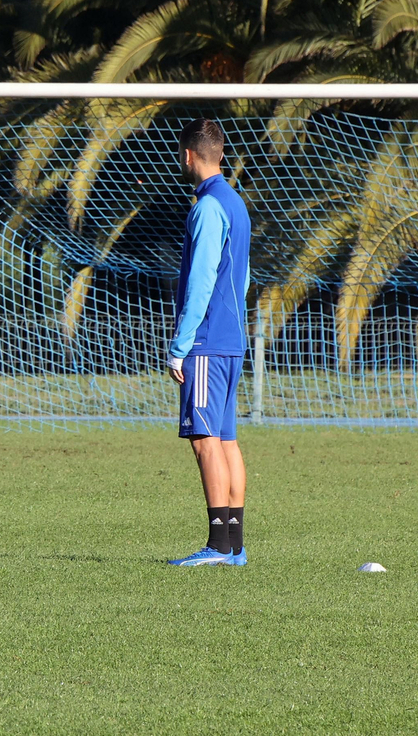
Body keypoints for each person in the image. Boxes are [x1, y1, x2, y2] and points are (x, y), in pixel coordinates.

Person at [165, 118, 251, 567]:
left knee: (203, 439)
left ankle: (217, 544)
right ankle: (235, 545)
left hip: (206, 341)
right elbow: (244, 276)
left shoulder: (206, 207)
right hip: (232, 340)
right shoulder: (236, 203)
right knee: (226, 439)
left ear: (189, 155)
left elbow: (200, 281)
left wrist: (181, 344)